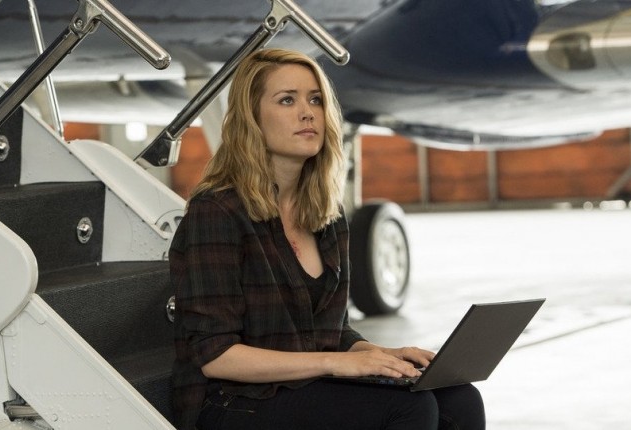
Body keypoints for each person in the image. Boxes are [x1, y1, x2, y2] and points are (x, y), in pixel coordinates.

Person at [170, 47, 486, 430]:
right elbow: (216, 356)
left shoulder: (325, 213)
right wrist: (338, 363)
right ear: (252, 118)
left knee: (459, 398)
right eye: (287, 100)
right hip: (232, 400)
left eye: (315, 100)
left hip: (305, 384)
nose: (308, 113)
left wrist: (385, 355)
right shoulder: (217, 211)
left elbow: (332, 332)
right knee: (408, 409)